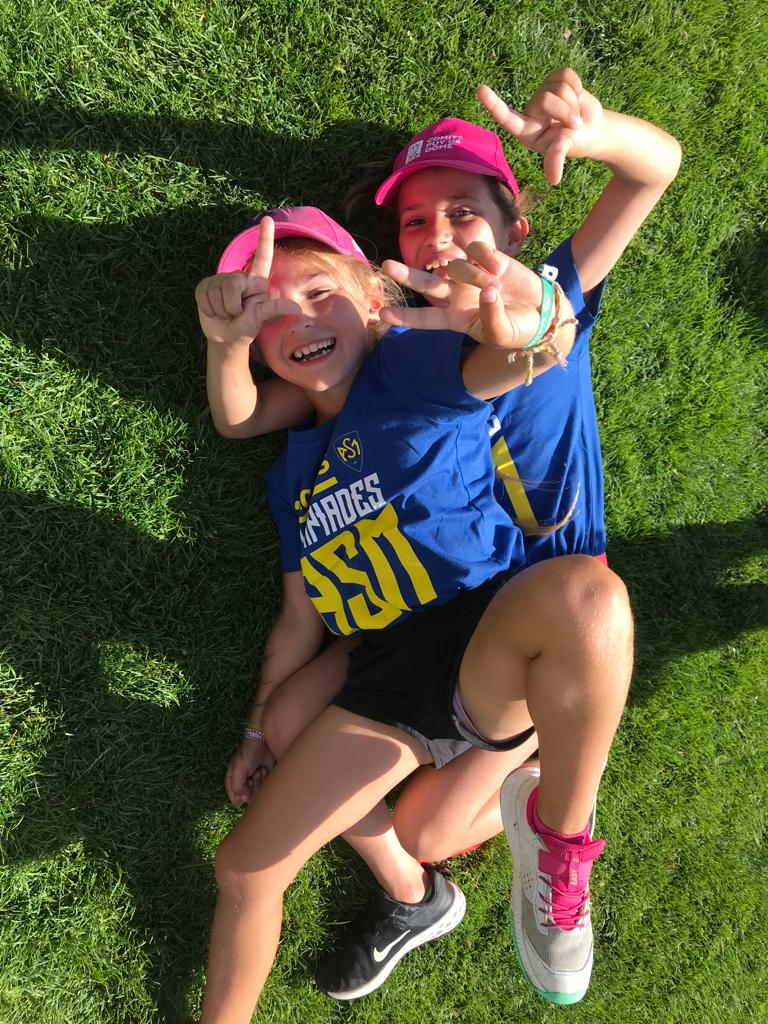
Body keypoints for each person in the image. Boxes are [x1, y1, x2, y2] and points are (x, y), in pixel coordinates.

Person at [195, 204, 633, 1021]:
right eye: (271, 315)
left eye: (319, 294)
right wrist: (256, 732)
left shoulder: (406, 370)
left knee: (589, 596)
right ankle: (419, 893)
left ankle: (560, 836)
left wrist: (535, 327)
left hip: (480, 632)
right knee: (245, 868)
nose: (298, 320)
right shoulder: (291, 476)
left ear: (373, 298)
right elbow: (297, 617)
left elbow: (528, 354)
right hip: (382, 674)